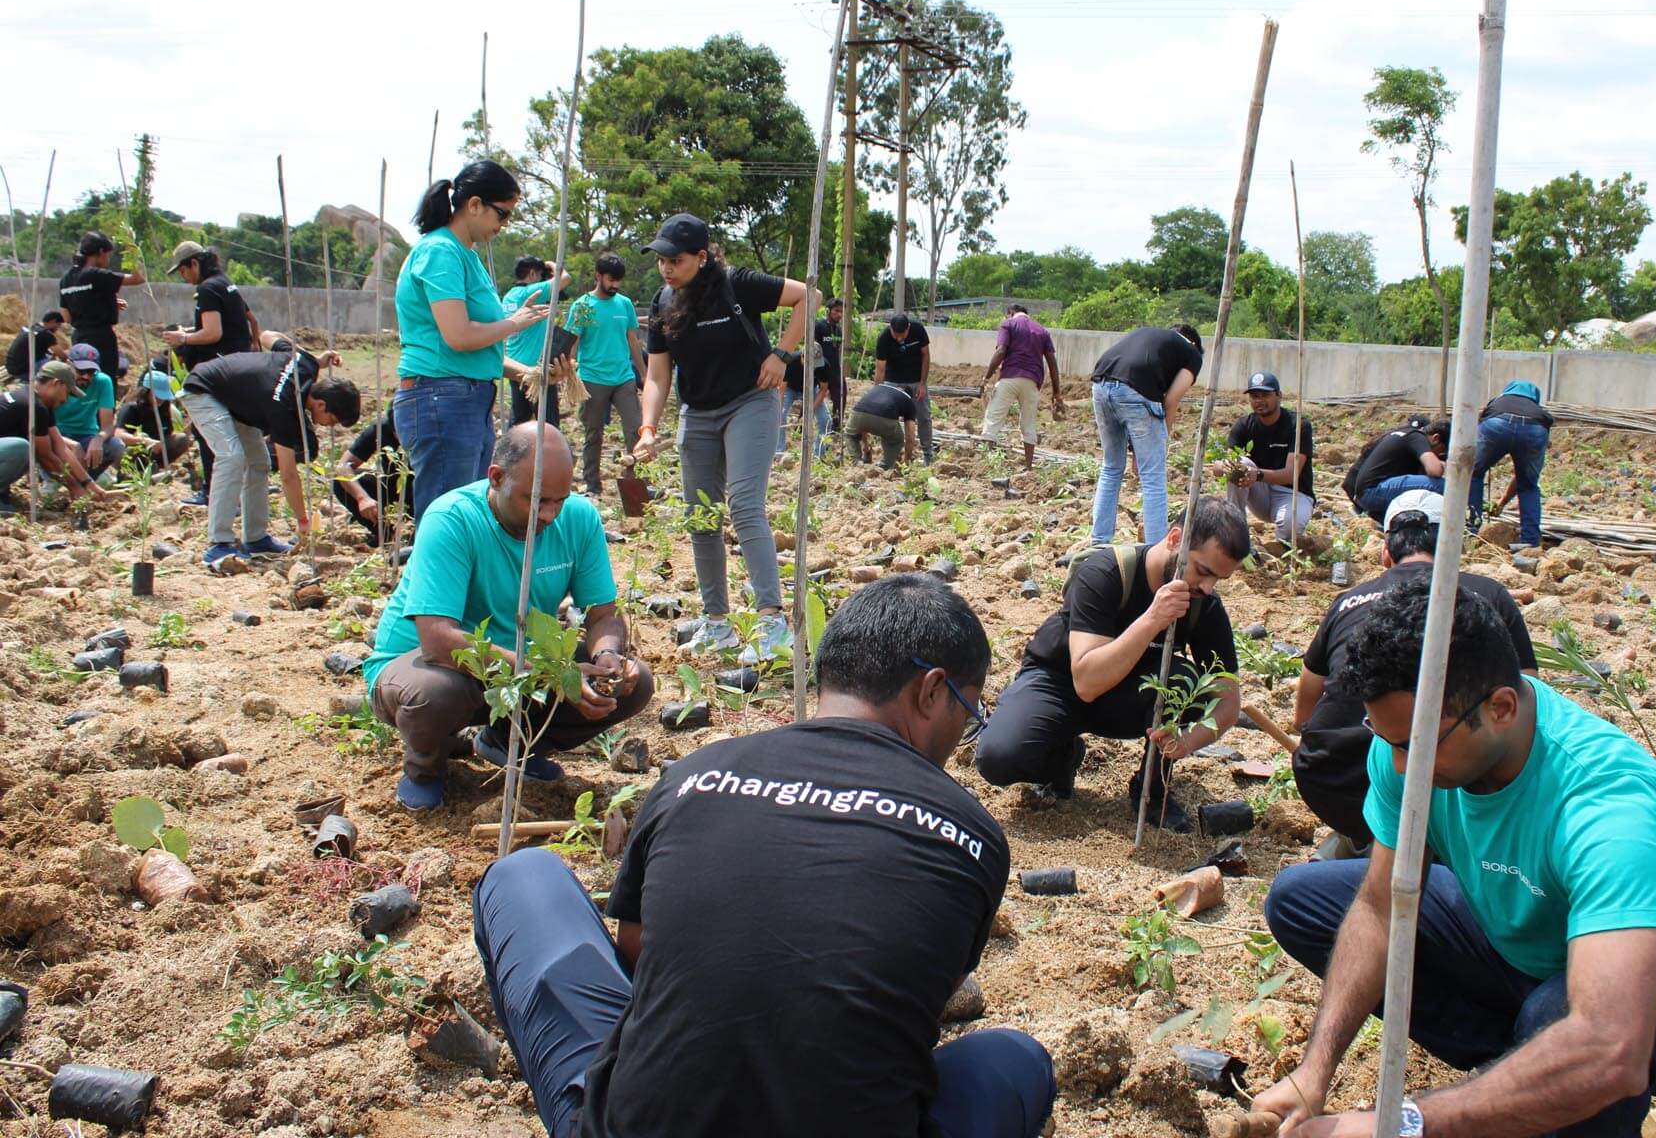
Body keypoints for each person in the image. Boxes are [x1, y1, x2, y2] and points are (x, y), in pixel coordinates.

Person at [470, 574, 1054, 1138]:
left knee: (522, 876)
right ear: (931, 691)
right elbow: (927, 991)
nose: (964, 733)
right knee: (1014, 1060)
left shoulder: (693, 775)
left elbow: (638, 952)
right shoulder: (969, 831)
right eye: (969, 711)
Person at [1251, 581, 1656, 1137]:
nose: (1400, 767)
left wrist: (1398, 1126)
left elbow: (1610, 1046)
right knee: (1303, 900)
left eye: (1417, 746)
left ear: (1501, 707)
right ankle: (1523, 1075)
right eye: (1388, 738)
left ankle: (1545, 1077)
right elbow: (1380, 909)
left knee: (1565, 1029)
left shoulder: (1606, 802)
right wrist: (1312, 1073)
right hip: (1529, 951)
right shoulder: (1409, 738)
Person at [364, 423, 653, 811]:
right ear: (496, 478)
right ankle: (425, 767)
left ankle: (506, 741)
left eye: (559, 501)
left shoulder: (579, 519)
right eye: (536, 500)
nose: (550, 514)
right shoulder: (451, 519)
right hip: (431, 667)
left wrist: (607, 657)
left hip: (521, 670)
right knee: (434, 695)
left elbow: (603, 615)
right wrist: (552, 677)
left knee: (636, 684)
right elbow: (437, 642)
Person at [976, 497, 1277, 833]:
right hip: (1061, 682)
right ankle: (1060, 757)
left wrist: (1188, 741)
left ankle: (1152, 788)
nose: (1206, 587)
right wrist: (1153, 618)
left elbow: (1227, 702)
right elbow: (1087, 682)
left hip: (1129, 699)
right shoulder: (1106, 572)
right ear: (1175, 539)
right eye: (1202, 571)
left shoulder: (1202, 604)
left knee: (1183, 682)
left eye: (1218, 579)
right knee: (997, 759)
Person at [1292, 490, 1536, 848]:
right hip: (1444, 784)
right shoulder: (1490, 594)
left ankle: (1364, 842)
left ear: (1385, 553)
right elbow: (1528, 697)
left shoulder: (1347, 601)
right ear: (1455, 547)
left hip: (1330, 778)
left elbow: (1304, 712)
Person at [634, 213, 813, 658]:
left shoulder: (738, 284)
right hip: (697, 412)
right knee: (700, 517)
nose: (666, 268)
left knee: (744, 503)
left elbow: (808, 298)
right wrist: (648, 427)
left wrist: (781, 355)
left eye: (675, 260)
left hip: (750, 401)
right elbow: (658, 375)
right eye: (661, 261)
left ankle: (772, 622)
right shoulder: (663, 303)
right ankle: (717, 623)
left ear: (700, 256)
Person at [392, 160, 550, 517]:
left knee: (466, 515)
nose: (503, 225)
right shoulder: (440, 252)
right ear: (474, 204)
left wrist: (528, 372)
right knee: (447, 520)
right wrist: (515, 323)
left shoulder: (467, 255)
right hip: (440, 398)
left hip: (464, 397)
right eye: (502, 213)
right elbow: (459, 336)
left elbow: (476, 350)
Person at [179, 339, 360, 565]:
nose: (328, 426)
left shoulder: (306, 363)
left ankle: (255, 539)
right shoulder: (285, 408)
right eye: (331, 420)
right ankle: (219, 543)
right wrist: (303, 520)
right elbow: (288, 475)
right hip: (204, 390)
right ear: (321, 404)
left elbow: (267, 335)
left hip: (236, 401)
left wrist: (319, 360)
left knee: (259, 462)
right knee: (232, 456)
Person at [1088, 324, 1203, 547]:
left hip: (1101, 385)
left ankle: (1099, 542)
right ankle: (1156, 549)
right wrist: (1161, 444)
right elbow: (1170, 400)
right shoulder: (1193, 354)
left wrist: (1136, 455)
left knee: (1111, 467)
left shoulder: (1149, 336)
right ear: (1194, 344)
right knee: (1153, 476)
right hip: (1135, 390)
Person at [163, 241, 259, 504]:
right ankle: (239, 490)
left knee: (210, 430)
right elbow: (250, 319)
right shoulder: (226, 283)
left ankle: (212, 492)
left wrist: (184, 338)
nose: (183, 277)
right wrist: (253, 346)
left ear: (194, 263)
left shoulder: (207, 289)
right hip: (238, 364)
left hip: (218, 370)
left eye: (182, 270)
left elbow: (213, 333)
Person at [566, 254, 645, 494]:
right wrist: (569, 373)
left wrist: (644, 375)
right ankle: (592, 484)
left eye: (619, 281)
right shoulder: (583, 306)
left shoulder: (625, 304)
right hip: (592, 378)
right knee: (594, 434)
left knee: (636, 430)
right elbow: (573, 342)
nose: (615, 285)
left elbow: (633, 340)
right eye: (611, 280)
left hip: (623, 377)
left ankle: (638, 483)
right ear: (598, 276)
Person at [1214, 371, 1314, 544]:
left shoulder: (1297, 425)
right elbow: (1226, 464)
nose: (1259, 400)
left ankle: (1282, 546)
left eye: (1265, 395)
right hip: (1260, 494)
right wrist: (1222, 467)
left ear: (1279, 396)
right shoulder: (1244, 426)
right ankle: (1236, 535)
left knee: (1291, 528)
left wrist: (1258, 474)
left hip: (1292, 493)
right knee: (1238, 466)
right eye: (1254, 396)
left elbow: (1291, 474)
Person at [0, 362, 106, 515]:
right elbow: (47, 457)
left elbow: (60, 447)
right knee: (22, 448)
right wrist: (75, 488)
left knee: (25, 450)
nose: (66, 400)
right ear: (56, 384)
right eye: (68, 393)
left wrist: (88, 483)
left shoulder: (38, 402)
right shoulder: (34, 406)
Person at [979, 304, 1064, 470]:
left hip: (1009, 378)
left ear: (1010, 313)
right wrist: (1057, 392)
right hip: (1032, 381)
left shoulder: (1008, 324)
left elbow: (1001, 351)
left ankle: (986, 463)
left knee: (993, 418)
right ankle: (1028, 466)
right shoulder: (1042, 331)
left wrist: (986, 376)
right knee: (1028, 423)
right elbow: (1052, 364)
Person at [1470, 378, 1554, 549]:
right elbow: (1522, 478)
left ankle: (1471, 529)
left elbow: (1481, 419)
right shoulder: (1539, 411)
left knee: (1474, 474)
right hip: (1535, 430)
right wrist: (1503, 502)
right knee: (1529, 486)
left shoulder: (1497, 402)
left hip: (1496, 425)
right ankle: (1530, 542)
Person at [57, 231, 143, 393]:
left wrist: (101, 305)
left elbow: (66, 316)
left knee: (83, 381)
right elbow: (138, 279)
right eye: (108, 256)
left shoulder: (66, 279)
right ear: (101, 252)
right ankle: (104, 416)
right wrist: (132, 253)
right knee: (105, 382)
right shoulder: (96, 275)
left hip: (79, 338)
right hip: (101, 339)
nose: (108, 261)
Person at [331, 405, 412, 547]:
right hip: (396, 492)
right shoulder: (381, 429)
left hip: (429, 492)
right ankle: (386, 534)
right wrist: (363, 498)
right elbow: (343, 467)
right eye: (398, 433)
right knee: (341, 482)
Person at [502, 256, 569, 426]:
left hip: (514, 367)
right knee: (548, 424)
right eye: (540, 274)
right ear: (532, 273)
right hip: (536, 369)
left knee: (519, 420)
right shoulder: (531, 292)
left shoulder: (509, 296)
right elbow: (565, 278)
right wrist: (551, 264)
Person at [1343, 416, 1448, 523]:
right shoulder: (1417, 436)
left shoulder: (1400, 435)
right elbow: (1435, 471)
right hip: (1372, 491)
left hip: (1364, 494)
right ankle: (1460, 524)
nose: (1438, 455)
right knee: (1443, 486)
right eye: (1441, 452)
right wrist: (1443, 465)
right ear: (1435, 438)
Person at [49, 343, 126, 480]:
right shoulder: (55, 381)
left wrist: (98, 439)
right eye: (81, 371)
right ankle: (55, 479)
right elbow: (42, 427)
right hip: (56, 437)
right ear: (69, 365)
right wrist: (71, 444)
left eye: (91, 372)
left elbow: (108, 426)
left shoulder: (103, 382)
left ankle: (86, 480)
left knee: (116, 446)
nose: (86, 376)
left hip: (86, 437)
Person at [874, 311, 935, 464]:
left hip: (915, 382)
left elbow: (926, 356)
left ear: (908, 327)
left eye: (903, 334)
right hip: (892, 382)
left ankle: (928, 453)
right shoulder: (884, 338)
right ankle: (889, 455)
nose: (900, 338)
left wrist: (922, 383)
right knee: (887, 418)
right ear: (891, 329)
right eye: (897, 335)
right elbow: (880, 368)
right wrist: (878, 393)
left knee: (924, 417)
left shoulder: (918, 330)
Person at [114, 362, 195, 477]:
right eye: (157, 396)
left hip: (156, 453)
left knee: (182, 439)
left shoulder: (164, 408)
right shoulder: (131, 408)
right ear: (146, 391)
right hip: (134, 452)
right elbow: (118, 435)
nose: (160, 400)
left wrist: (190, 428)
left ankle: (154, 468)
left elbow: (168, 435)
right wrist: (146, 441)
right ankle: (135, 471)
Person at [776, 336, 831, 457]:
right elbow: (781, 389)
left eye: (815, 364)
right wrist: (779, 408)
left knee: (825, 420)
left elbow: (823, 390)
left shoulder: (824, 365)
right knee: (779, 415)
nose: (814, 367)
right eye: (810, 363)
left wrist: (810, 411)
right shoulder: (790, 361)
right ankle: (779, 452)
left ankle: (818, 455)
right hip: (790, 389)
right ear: (802, 356)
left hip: (811, 389)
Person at [846, 381, 920, 469]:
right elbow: (910, 437)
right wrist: (907, 462)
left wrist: (866, 447)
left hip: (858, 413)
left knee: (851, 435)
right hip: (885, 418)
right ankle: (884, 466)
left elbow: (864, 422)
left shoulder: (878, 388)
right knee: (896, 440)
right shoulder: (908, 400)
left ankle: (856, 461)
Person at [5, 311, 64, 382]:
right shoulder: (45, 333)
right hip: (23, 372)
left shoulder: (29, 327)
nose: (58, 328)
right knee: (55, 367)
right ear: (53, 321)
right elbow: (61, 355)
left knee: (48, 356)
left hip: (11, 367)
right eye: (58, 324)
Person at [818, 296, 847, 432]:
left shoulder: (838, 330)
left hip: (835, 370)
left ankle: (836, 426)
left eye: (841, 311)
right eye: (836, 311)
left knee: (841, 397)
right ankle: (803, 424)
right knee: (814, 397)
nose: (839, 314)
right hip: (819, 370)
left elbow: (838, 349)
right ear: (828, 310)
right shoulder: (819, 326)